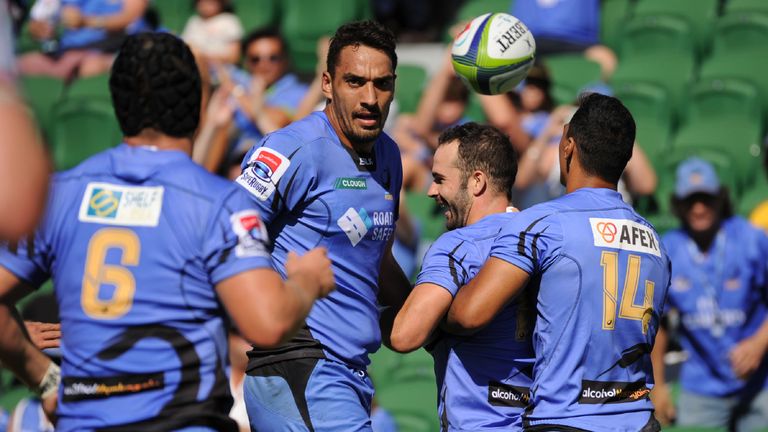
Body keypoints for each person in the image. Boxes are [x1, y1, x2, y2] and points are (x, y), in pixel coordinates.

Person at [0, 32, 335, 431]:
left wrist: (44, 375)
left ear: (118, 105)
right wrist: (305, 282)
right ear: (197, 108)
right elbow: (268, 324)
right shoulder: (218, 204)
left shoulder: (63, 195)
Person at [446, 93, 671, 431]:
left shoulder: (543, 224)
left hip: (567, 420)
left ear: (568, 146)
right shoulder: (655, 240)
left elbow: (470, 314)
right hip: (638, 418)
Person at [235, 20, 410, 431]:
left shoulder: (389, 157)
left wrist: (432, 316)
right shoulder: (292, 149)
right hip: (298, 364)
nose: (370, 98)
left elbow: (378, 261)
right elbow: (225, 230)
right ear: (328, 83)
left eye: (382, 85)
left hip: (350, 374)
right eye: (355, 82)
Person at [388, 123, 535, 430]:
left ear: (477, 181)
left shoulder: (458, 245)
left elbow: (405, 335)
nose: (431, 191)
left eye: (440, 179)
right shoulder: (544, 239)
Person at [650, 158, 768, 431]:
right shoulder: (670, 249)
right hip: (701, 385)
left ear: (720, 198)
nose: (699, 208)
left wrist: (760, 343)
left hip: (759, 382)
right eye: (690, 201)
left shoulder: (751, 239)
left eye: (706, 198)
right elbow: (659, 324)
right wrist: (658, 386)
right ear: (678, 204)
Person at [194, 27, 308, 172]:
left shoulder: (297, 91)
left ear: (285, 60)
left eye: (273, 57)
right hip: (230, 159)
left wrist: (236, 92)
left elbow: (278, 121)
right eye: (256, 59)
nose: (264, 64)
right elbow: (201, 61)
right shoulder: (243, 80)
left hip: (269, 165)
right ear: (247, 62)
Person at [18, 0, 150, 79]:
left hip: (113, 49)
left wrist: (86, 21)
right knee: (18, 66)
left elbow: (131, 16)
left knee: (91, 67)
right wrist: (40, 29)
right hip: (66, 52)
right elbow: (35, 23)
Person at [181, 0, 243, 66]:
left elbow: (234, 57)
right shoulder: (193, 21)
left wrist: (203, 58)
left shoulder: (229, 20)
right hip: (194, 67)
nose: (206, 3)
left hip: (224, 68)